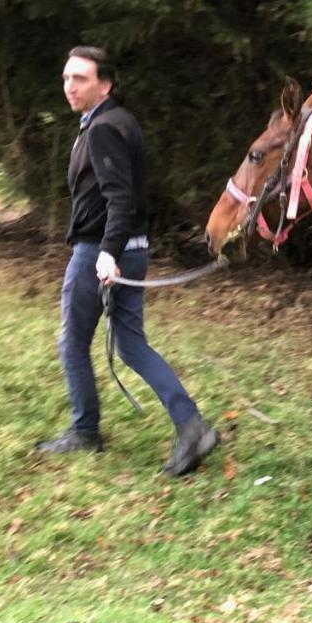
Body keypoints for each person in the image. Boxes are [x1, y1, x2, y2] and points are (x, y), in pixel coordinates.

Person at [36, 46, 219, 476]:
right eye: (66, 78)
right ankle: (192, 427)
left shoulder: (103, 128)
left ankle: (85, 431)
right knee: (131, 344)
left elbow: (119, 198)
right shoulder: (117, 122)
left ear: (106, 84)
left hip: (101, 252)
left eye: (80, 78)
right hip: (131, 248)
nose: (70, 86)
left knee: (72, 343)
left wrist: (106, 253)